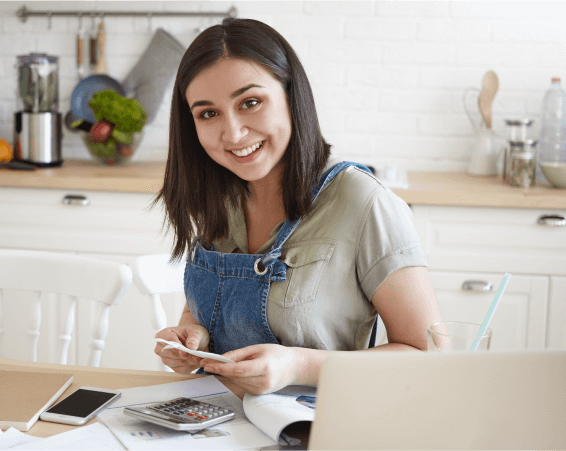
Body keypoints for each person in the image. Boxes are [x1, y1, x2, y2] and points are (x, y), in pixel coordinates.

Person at [153, 17, 442, 396]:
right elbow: (207, 308)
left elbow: (430, 354)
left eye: (250, 102)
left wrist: (299, 365)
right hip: (216, 422)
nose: (233, 133)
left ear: (292, 96)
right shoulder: (217, 195)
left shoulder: (362, 202)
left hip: (317, 427)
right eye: (208, 113)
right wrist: (194, 336)